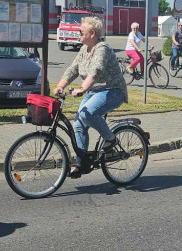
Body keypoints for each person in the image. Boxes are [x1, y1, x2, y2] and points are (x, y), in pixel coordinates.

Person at [54, 15, 127, 178]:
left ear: (92, 33)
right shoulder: (84, 49)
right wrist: (60, 86)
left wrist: (82, 89)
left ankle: (110, 139)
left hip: (113, 90)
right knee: (78, 124)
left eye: (81, 32)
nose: (78, 34)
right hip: (94, 91)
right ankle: (81, 163)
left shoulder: (102, 48)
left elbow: (96, 70)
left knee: (89, 114)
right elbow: (72, 69)